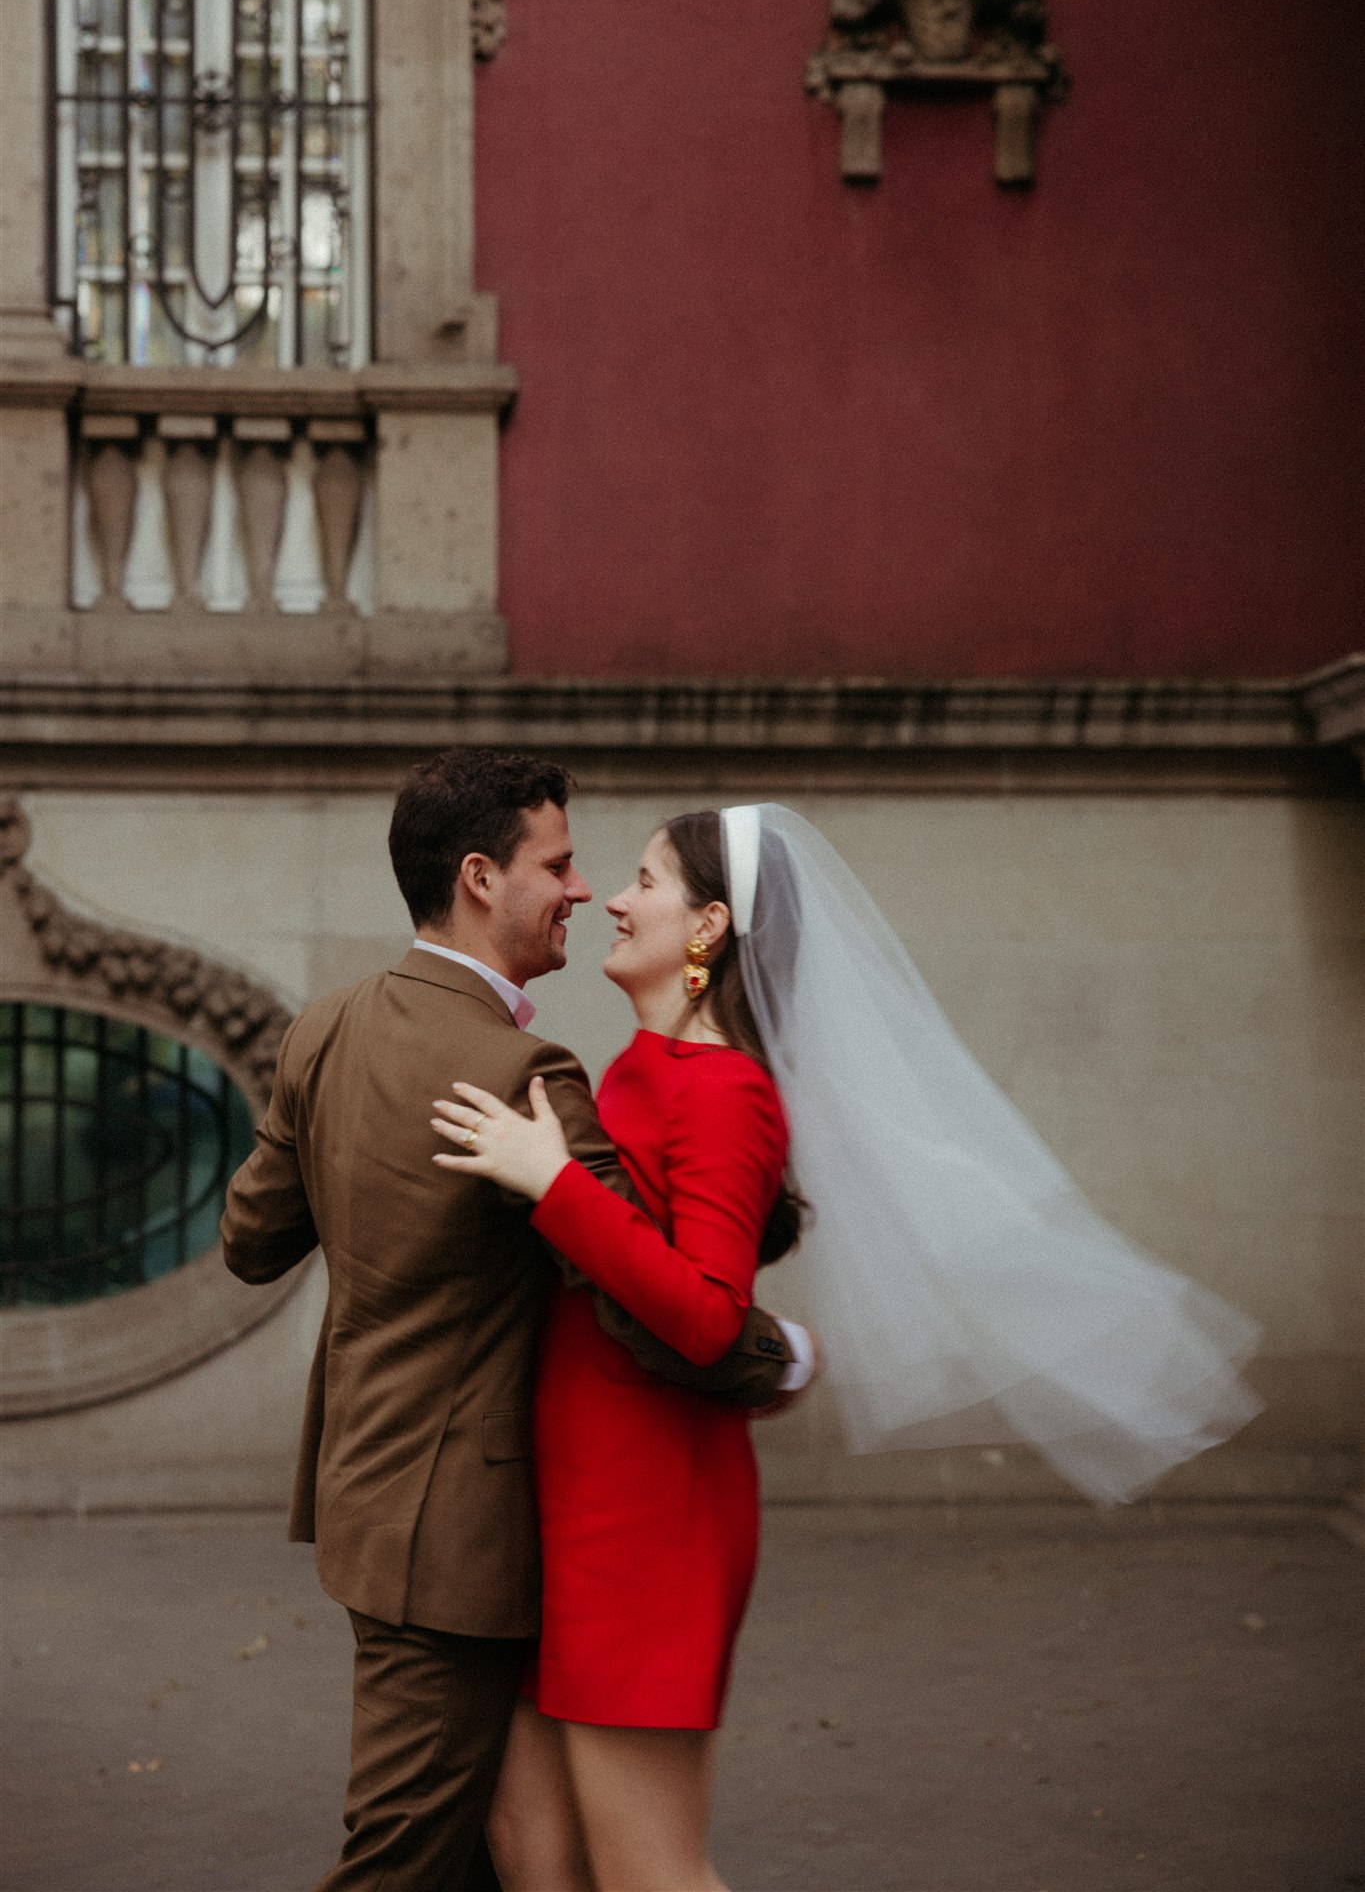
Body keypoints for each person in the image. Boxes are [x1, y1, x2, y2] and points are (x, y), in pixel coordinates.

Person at [435, 801, 1264, 1892]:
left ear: (709, 926)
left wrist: (552, 1183)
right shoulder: (636, 1068)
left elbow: (704, 1313)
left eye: (643, 879)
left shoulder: (727, 1090)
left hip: (651, 1518)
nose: (615, 900)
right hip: (575, 1498)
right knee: (531, 1844)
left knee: (650, 1872)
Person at [220, 755, 816, 1892]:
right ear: (483, 878)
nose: (589, 890)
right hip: (476, 1526)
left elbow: (250, 1244)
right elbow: (666, 1320)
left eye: (619, 871)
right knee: (413, 1853)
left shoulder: (327, 1028)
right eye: (564, 864)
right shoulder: (530, 1071)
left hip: (411, 1503)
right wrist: (780, 1357)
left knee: (518, 1852)